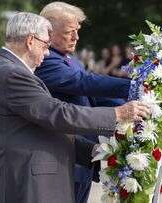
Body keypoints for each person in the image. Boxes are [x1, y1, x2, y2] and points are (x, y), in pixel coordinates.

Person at [0, 12, 150, 203]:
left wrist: (97, 150)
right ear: (30, 41)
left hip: (31, 178)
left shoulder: (7, 68)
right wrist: (118, 114)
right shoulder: (11, 73)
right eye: (45, 45)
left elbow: (40, 124)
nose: (47, 52)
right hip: (24, 182)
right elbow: (57, 114)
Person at [35, 3, 132, 203]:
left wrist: (135, 104)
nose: (76, 37)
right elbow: (84, 83)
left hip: (82, 157)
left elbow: (94, 97)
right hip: (64, 157)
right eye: (69, 32)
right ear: (48, 32)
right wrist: (132, 86)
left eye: (77, 31)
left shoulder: (69, 59)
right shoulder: (46, 61)